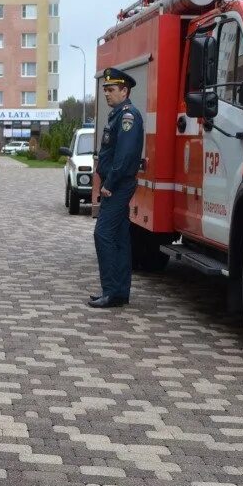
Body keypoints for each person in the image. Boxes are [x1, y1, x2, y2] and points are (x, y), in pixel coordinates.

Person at [90, 67, 144, 309]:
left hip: (119, 185)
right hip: (118, 184)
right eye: (105, 90)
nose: (107, 94)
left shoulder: (128, 117)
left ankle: (111, 291)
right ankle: (120, 292)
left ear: (125, 90)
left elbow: (125, 155)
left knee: (102, 234)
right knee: (120, 237)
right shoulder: (117, 115)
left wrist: (109, 184)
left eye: (111, 90)